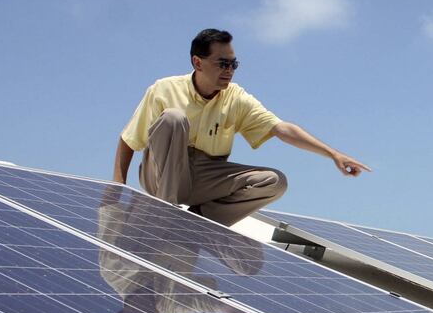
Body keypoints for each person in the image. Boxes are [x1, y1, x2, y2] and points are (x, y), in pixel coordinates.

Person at [112, 28, 370, 226]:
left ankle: (198, 222)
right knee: (173, 118)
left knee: (274, 182)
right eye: (222, 64)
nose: (230, 70)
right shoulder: (163, 89)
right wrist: (116, 188)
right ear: (198, 62)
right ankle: (163, 215)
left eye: (233, 64)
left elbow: (281, 129)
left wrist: (333, 154)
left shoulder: (236, 97)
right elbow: (129, 139)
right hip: (161, 174)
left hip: (205, 175)